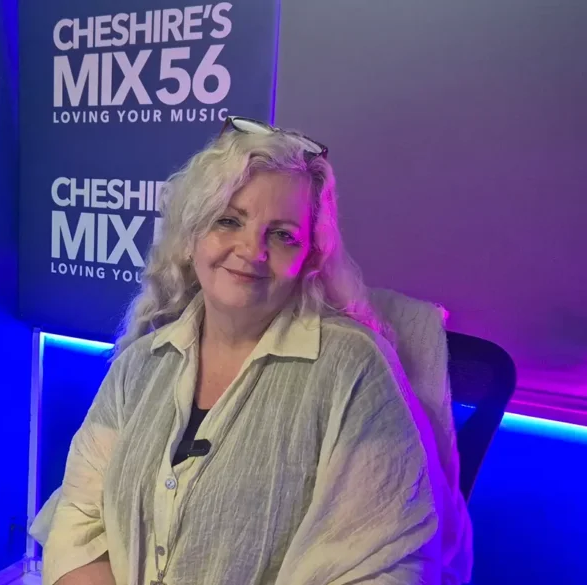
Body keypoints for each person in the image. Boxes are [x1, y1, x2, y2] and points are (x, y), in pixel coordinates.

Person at [42, 117, 467, 585]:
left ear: (310, 256)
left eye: (282, 234)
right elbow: (78, 521)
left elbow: (390, 569)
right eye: (229, 220)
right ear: (192, 235)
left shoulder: (353, 367)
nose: (252, 250)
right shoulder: (140, 364)